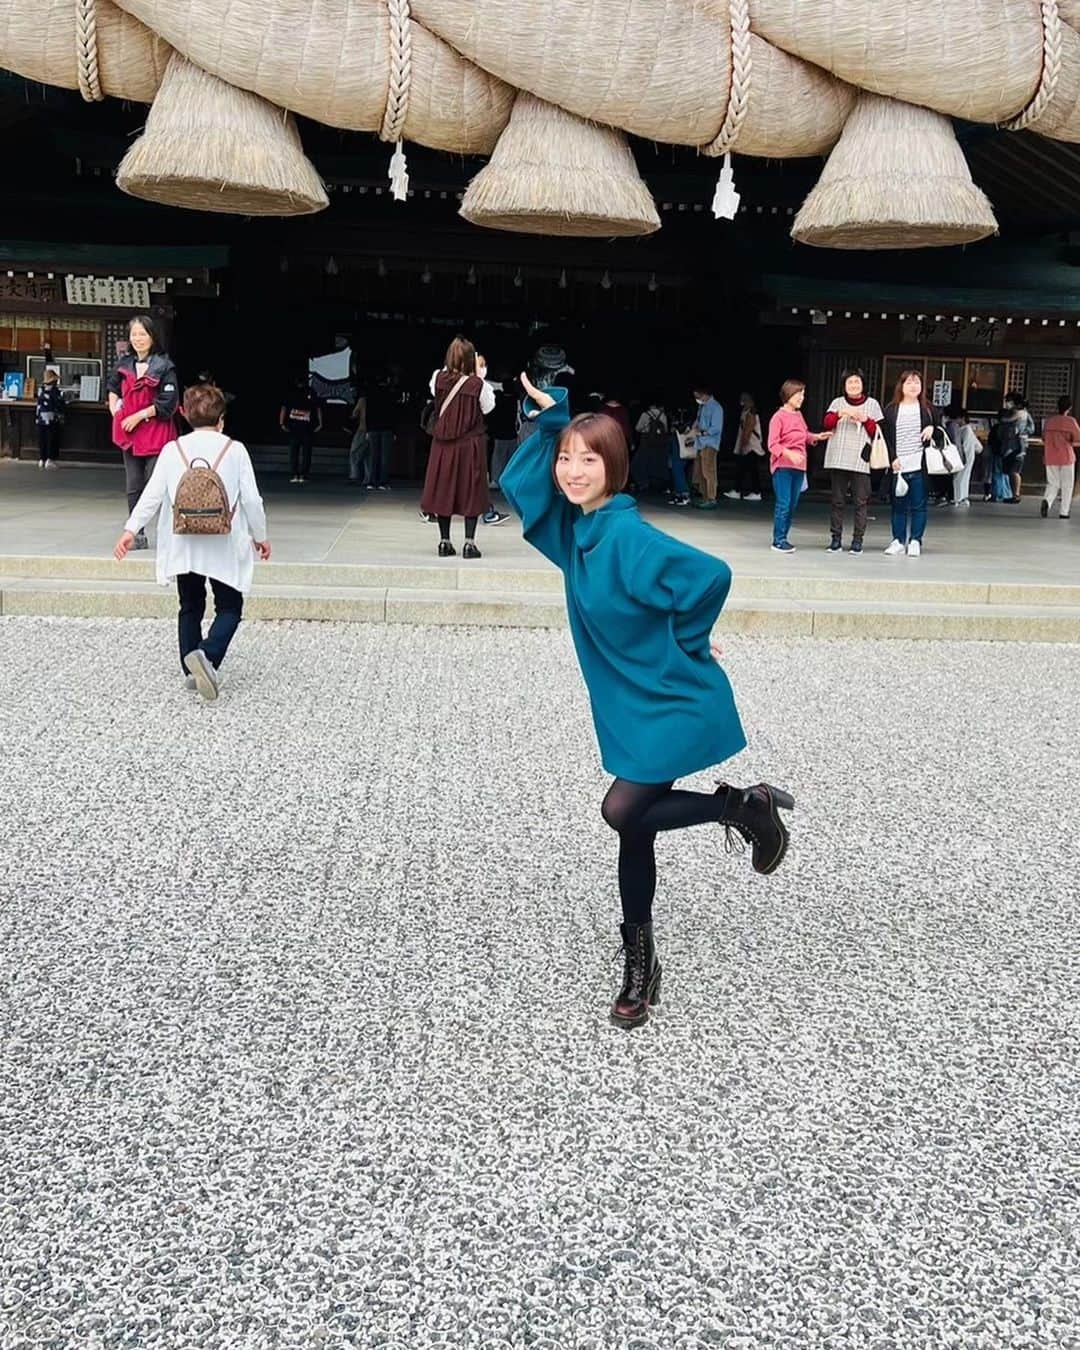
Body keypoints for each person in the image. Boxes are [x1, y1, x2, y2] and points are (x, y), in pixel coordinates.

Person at [501, 370, 795, 1031]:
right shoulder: (576, 531)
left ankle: (744, 806)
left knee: (623, 809)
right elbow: (522, 490)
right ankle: (641, 960)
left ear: (617, 467)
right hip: (634, 700)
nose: (573, 472)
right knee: (634, 825)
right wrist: (555, 423)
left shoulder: (625, 536)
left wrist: (688, 641)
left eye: (589, 459)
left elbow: (710, 576)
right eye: (567, 461)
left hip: (668, 696)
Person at [113, 383, 270, 702]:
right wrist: (260, 537)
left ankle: (191, 670)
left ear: (183, 415)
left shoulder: (174, 450)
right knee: (230, 606)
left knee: (190, 605)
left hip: (183, 540)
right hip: (223, 542)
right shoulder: (235, 450)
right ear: (222, 418)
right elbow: (252, 500)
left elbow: (152, 495)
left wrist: (131, 530)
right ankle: (207, 655)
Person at [107, 314, 180, 550]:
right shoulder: (123, 364)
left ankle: (171, 530)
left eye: (142, 334)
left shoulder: (164, 365)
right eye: (134, 334)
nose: (138, 339)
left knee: (156, 484)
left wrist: (139, 415)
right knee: (134, 484)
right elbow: (112, 388)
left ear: (152, 336)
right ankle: (136, 533)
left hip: (156, 433)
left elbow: (168, 402)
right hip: (130, 435)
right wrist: (115, 411)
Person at [422, 336, 495, 558]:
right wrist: (480, 376)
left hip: (442, 445)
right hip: (469, 445)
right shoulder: (478, 385)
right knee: (470, 490)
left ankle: (444, 542)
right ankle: (469, 544)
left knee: (443, 490)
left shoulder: (438, 378)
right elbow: (488, 407)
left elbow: (436, 392)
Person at [820, 369, 884, 554]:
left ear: (863, 384)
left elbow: (879, 432)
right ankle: (836, 539)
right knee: (837, 501)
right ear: (844, 386)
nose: (854, 385)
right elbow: (826, 423)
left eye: (857, 382)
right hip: (838, 458)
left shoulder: (872, 404)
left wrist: (865, 419)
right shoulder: (837, 403)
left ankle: (857, 540)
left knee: (861, 502)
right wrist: (840, 414)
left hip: (860, 459)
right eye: (850, 382)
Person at [880, 370, 939, 557]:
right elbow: (884, 437)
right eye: (909, 383)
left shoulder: (928, 409)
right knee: (898, 506)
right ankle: (898, 540)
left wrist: (932, 427)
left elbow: (941, 433)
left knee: (919, 505)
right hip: (898, 466)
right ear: (901, 386)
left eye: (917, 383)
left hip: (920, 465)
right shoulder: (891, 409)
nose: (913, 386)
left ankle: (915, 540)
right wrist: (892, 458)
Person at [767, 379, 828, 554]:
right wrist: (789, 453)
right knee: (783, 503)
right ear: (788, 394)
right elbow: (773, 445)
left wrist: (817, 437)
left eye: (803, 394)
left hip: (799, 467)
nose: (802, 397)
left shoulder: (798, 415)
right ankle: (778, 540)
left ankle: (784, 537)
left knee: (792, 504)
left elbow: (803, 435)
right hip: (783, 467)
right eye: (798, 394)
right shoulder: (778, 417)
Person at [476, 354, 509, 526]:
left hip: (460, 438)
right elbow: (488, 407)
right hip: (470, 440)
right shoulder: (478, 385)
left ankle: (486, 511)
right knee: (473, 477)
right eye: (481, 365)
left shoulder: (448, 380)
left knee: (459, 477)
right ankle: (486, 512)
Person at [1040, 394, 1079, 519]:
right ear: (1069, 408)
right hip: (1066, 456)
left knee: (1052, 483)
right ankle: (1064, 512)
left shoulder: (1049, 421)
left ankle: (1047, 501)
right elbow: (1077, 438)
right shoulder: (1071, 421)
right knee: (1067, 485)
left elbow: (1044, 438)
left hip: (1050, 456)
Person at [280, 375, 322, 484]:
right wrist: (320, 423)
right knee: (305, 451)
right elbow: (318, 408)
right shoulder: (306, 391)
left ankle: (296, 474)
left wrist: (282, 422)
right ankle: (303, 475)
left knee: (295, 451)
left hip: (296, 426)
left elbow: (284, 408)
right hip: (304, 426)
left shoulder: (297, 392)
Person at [687, 382, 724, 509]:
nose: (697, 399)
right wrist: (692, 430)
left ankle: (711, 498)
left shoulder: (716, 407)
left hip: (710, 443)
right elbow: (698, 421)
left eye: (698, 396)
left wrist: (701, 432)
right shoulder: (702, 407)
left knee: (709, 471)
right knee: (700, 472)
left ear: (705, 394)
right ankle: (704, 497)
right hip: (700, 443)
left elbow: (716, 428)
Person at [725, 392, 765, 502]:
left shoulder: (751, 413)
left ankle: (752, 492)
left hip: (751, 446)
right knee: (746, 470)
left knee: (748, 470)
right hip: (749, 445)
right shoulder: (746, 412)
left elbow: (747, 431)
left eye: (744, 399)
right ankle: (741, 490)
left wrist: (743, 445)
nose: (742, 401)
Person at [631, 397, 672, 494]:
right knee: (657, 463)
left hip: (646, 442)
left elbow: (638, 428)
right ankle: (657, 485)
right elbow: (666, 430)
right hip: (659, 444)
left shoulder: (645, 415)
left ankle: (643, 483)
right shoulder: (663, 415)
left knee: (639, 463)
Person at [985, 403, 1023, 504]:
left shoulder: (997, 428)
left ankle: (998, 494)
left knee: (997, 474)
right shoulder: (1012, 428)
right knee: (1006, 475)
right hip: (1008, 453)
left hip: (998, 453)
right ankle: (1007, 493)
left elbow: (991, 441)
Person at [944, 407, 982, 508]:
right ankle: (962, 498)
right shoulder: (965, 429)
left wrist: (962, 457)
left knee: (959, 478)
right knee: (962, 477)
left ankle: (959, 498)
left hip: (964, 457)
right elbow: (978, 447)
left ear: (962, 418)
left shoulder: (965, 430)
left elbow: (965, 445)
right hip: (966, 457)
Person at [35, 368, 66, 470]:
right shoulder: (55, 392)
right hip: (51, 419)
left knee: (42, 439)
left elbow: (38, 405)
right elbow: (59, 405)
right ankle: (50, 459)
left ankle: (41, 459)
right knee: (51, 439)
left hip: (40, 419)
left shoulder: (41, 391)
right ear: (54, 381)